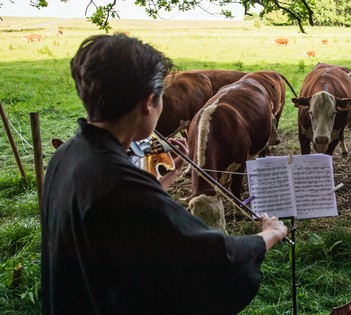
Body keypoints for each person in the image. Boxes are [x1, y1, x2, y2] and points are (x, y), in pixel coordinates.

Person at [41, 34, 288, 314]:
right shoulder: (123, 185)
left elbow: (118, 227)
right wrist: (268, 236)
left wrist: (159, 181)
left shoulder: (69, 154)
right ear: (149, 102)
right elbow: (213, 258)